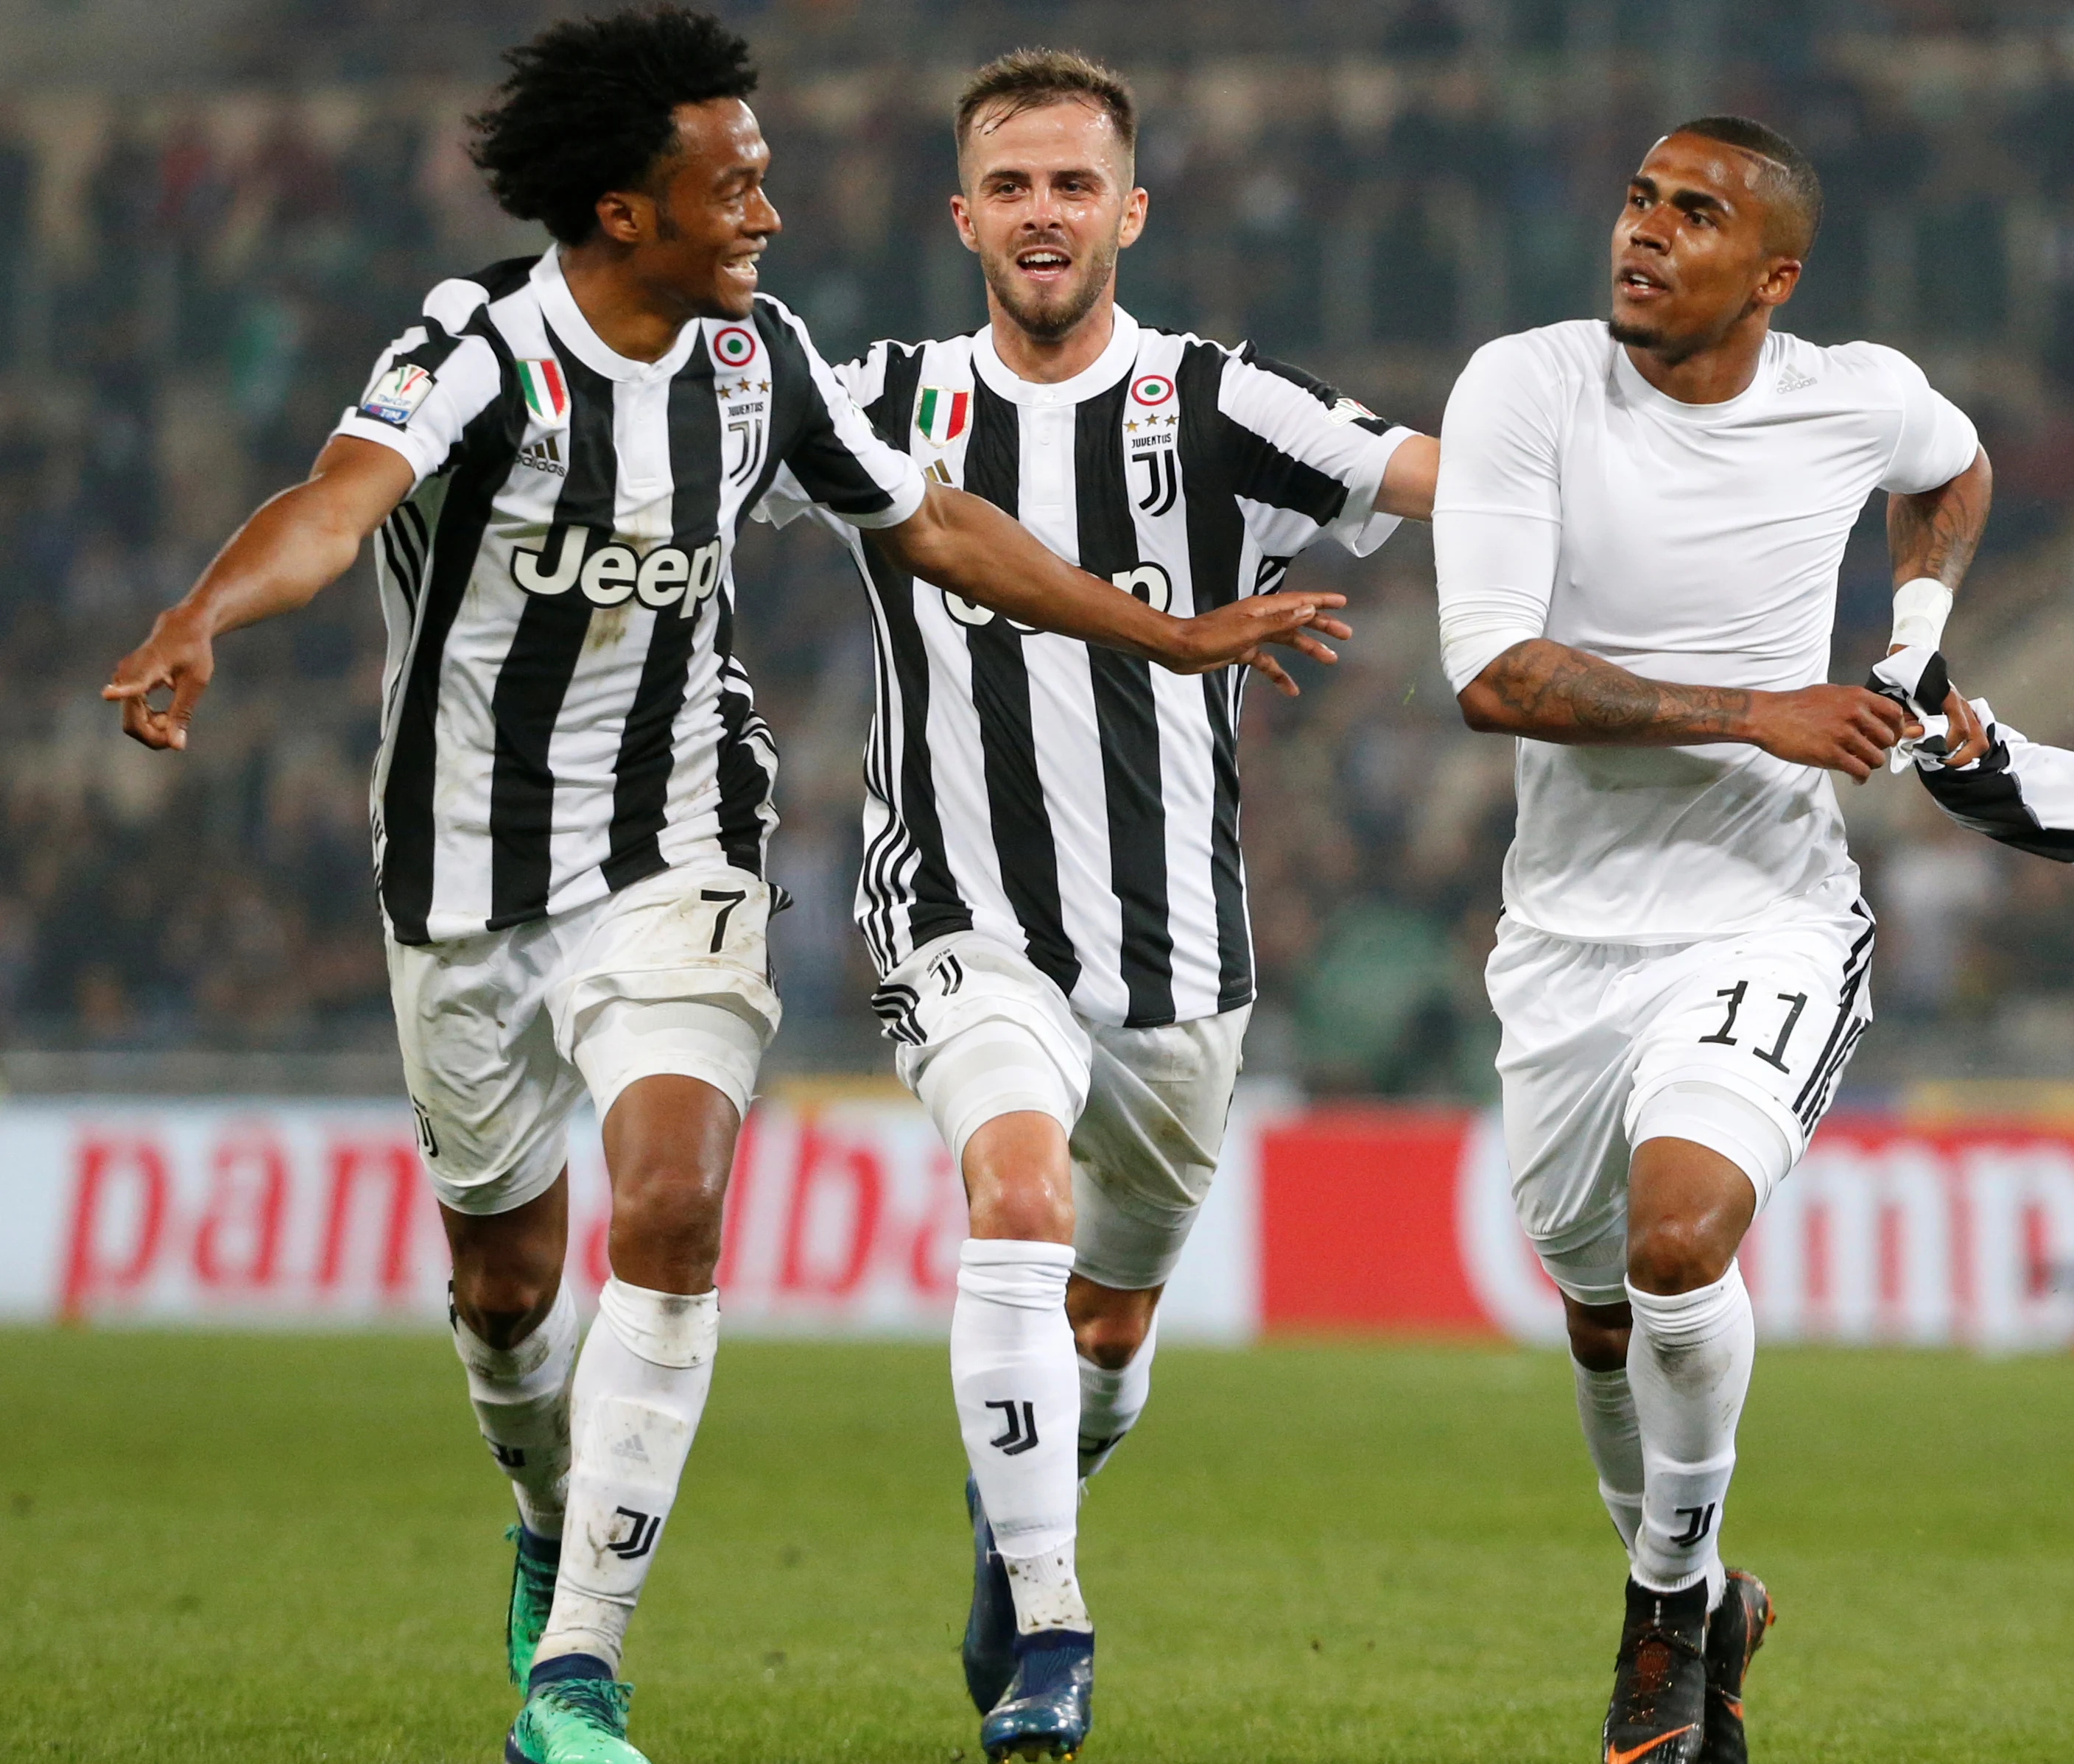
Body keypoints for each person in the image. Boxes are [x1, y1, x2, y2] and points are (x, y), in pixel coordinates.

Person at [96, 13, 1344, 1764]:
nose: (767, 205)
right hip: (459, 880)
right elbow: (337, 497)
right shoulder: (480, 349)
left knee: (673, 1206)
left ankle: (577, 1671)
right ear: (623, 210)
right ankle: (548, 1523)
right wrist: (201, 619)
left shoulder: (756, 365)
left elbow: (932, 520)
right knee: (510, 1299)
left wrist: (1171, 633)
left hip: (678, 843)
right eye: (732, 181)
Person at [776, 49, 1432, 1763]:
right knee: (1013, 1196)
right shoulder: (880, 401)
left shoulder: (1220, 402)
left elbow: (1442, 480)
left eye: (1074, 186)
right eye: (1011, 186)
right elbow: (690, 451)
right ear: (963, 216)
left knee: (1114, 1331)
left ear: (1129, 211)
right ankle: (1055, 1623)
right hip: (961, 914)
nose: (1043, 215)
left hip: (1181, 956)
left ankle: (1037, 1484)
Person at [1434, 116, 1990, 1764]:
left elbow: (1952, 467)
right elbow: (1497, 678)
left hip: (1766, 917)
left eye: (1694, 215)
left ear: (1773, 276)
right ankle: (1704, 1598)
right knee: (1602, 1317)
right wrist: (1768, 707)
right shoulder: (1525, 388)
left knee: (1682, 1245)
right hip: (1565, 941)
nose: (1645, 234)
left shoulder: (1852, 396)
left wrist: (1918, 640)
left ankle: (1664, 1615)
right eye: (1636, 201)